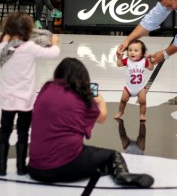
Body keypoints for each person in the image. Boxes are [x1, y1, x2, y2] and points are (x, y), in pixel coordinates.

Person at [28, 58, 154, 188]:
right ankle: (122, 175)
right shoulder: (80, 96)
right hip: (67, 165)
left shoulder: (46, 89)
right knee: (112, 155)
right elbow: (102, 117)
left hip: (36, 169)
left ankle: (99, 169)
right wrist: (100, 100)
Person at [0, 11, 60, 176]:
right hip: (26, 101)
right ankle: (20, 167)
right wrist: (54, 42)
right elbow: (54, 54)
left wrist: (3, 41)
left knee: (4, 133)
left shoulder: (4, 48)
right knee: (23, 133)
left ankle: (1, 166)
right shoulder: (30, 47)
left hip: (7, 100)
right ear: (28, 30)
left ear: (8, 30)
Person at [114, 40, 154, 121]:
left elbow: (151, 68)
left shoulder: (144, 61)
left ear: (142, 53)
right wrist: (119, 58)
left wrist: (150, 60)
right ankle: (120, 112)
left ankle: (142, 114)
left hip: (140, 87)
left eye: (136, 50)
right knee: (123, 100)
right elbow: (119, 64)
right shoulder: (127, 60)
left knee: (143, 101)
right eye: (130, 50)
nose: (132, 52)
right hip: (129, 87)